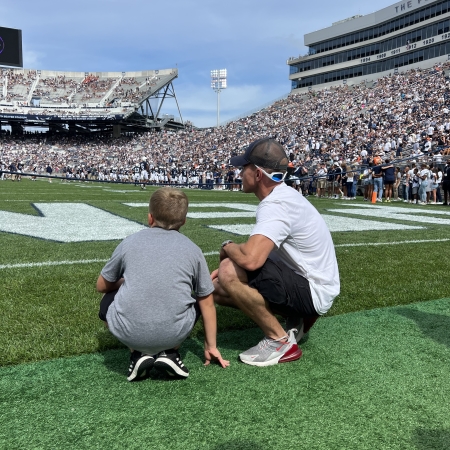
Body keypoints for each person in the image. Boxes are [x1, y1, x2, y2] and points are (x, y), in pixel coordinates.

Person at [211, 138, 340, 367]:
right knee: (217, 289)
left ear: (258, 174)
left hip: (313, 289)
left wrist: (227, 247)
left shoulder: (276, 205)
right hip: (312, 281)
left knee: (229, 270)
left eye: (244, 168)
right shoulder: (284, 197)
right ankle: (297, 316)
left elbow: (251, 260)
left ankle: (279, 341)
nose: (240, 173)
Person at [97, 188, 229, 381]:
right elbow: (207, 302)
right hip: (174, 334)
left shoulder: (129, 243)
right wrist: (211, 346)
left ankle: (138, 353)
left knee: (108, 299)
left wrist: (125, 281)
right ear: (183, 221)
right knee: (198, 297)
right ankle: (170, 353)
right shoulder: (193, 249)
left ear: (150, 218)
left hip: (130, 333)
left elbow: (102, 286)